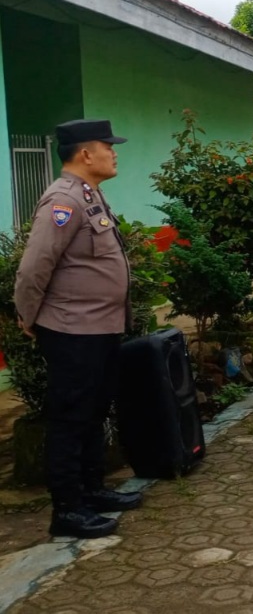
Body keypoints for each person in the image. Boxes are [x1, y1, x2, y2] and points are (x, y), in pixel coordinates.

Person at [13, 119, 141, 538]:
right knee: (70, 418)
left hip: (98, 327)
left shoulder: (90, 195)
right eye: (109, 146)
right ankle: (67, 510)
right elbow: (34, 266)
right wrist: (28, 316)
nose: (114, 152)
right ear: (86, 154)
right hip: (73, 330)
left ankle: (92, 489)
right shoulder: (63, 201)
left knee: (93, 411)